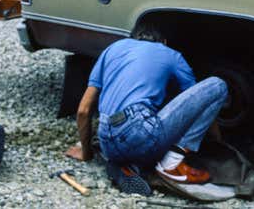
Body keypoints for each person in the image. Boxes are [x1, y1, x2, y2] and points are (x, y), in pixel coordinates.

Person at [66, 24, 228, 189]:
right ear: (164, 42)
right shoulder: (171, 55)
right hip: (140, 133)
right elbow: (200, 99)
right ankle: (171, 164)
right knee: (218, 85)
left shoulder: (113, 49)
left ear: (133, 38)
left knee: (135, 138)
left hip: (107, 141)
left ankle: (126, 166)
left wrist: (86, 153)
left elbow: (83, 111)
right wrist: (217, 141)